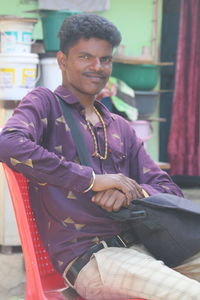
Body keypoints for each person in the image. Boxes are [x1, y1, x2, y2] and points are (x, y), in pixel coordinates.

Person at [0, 14, 200, 300]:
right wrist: (93, 180)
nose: (97, 67)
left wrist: (129, 191)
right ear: (62, 61)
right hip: (94, 259)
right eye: (85, 57)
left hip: (148, 247)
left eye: (105, 59)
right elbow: (8, 144)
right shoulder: (45, 103)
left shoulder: (119, 127)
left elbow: (170, 190)